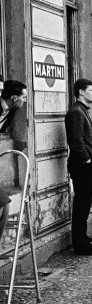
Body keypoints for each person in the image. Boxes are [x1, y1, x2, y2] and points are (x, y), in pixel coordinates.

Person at [65, 79, 92, 255]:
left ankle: (82, 238)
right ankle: (80, 244)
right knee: (82, 205)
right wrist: (87, 160)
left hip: (85, 166)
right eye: (91, 90)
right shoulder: (76, 112)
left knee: (84, 204)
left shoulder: (81, 110)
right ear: (81, 92)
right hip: (82, 166)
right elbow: (76, 141)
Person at [0, 80, 28, 243]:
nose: (24, 101)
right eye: (23, 98)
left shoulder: (9, 112)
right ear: (14, 97)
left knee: (5, 205)